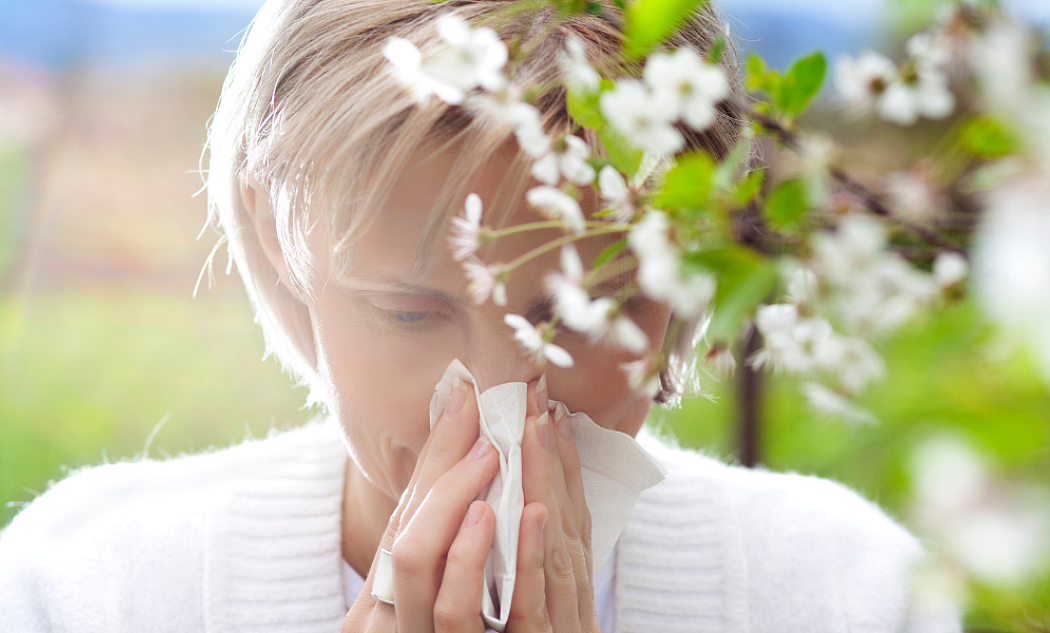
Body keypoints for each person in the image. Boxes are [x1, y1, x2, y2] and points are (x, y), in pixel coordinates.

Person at [0, 0, 962, 631]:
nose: (502, 402)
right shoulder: (89, 587)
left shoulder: (853, 592)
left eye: (582, 313)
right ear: (280, 239)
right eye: (410, 313)